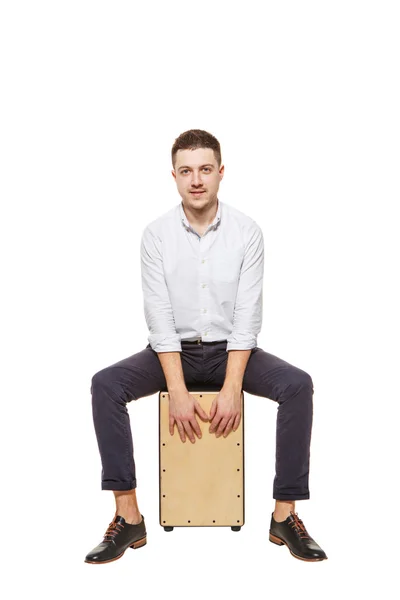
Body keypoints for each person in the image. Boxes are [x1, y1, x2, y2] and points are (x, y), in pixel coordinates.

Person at [84, 129, 328, 564]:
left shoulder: (247, 231)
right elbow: (159, 319)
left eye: (205, 170)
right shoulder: (156, 234)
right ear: (174, 177)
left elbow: (247, 317)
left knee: (297, 385)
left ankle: (284, 515)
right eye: (186, 171)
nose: (196, 180)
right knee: (105, 384)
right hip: (170, 353)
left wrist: (233, 386)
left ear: (220, 173)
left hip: (232, 352)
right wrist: (176, 391)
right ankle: (128, 516)